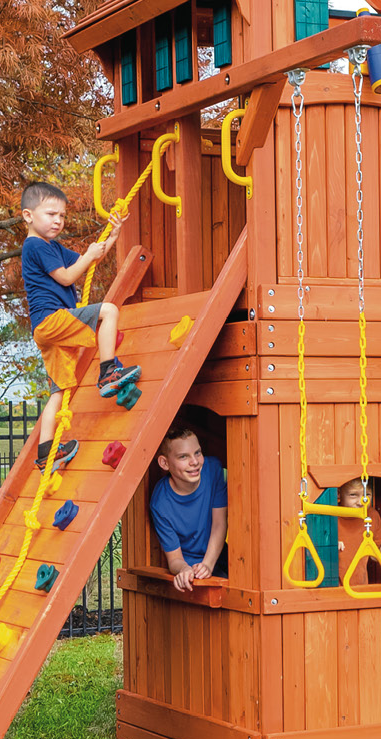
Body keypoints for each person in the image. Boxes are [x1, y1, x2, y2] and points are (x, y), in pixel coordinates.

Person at [20, 182, 141, 472]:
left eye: (62, 216)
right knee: (109, 311)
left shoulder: (52, 247)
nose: (58, 221)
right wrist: (87, 255)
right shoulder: (35, 245)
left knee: (60, 390)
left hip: (46, 330)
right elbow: (66, 277)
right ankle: (108, 372)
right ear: (28, 216)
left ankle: (47, 452)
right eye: (51, 214)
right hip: (52, 319)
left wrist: (113, 235)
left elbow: (90, 261)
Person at [150, 425, 228, 593]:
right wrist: (184, 569)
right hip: (190, 565)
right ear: (164, 463)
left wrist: (208, 564)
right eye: (183, 456)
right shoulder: (160, 503)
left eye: (197, 453)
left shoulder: (212, 470)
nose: (194, 462)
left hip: (218, 554)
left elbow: (219, 524)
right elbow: (174, 559)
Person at [335, 477, 381, 586]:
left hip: (360, 587)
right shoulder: (330, 514)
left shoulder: (371, 515)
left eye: (367, 495)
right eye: (353, 495)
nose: (361, 502)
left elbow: (376, 554)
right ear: (338, 494)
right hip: (332, 586)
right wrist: (330, 546)